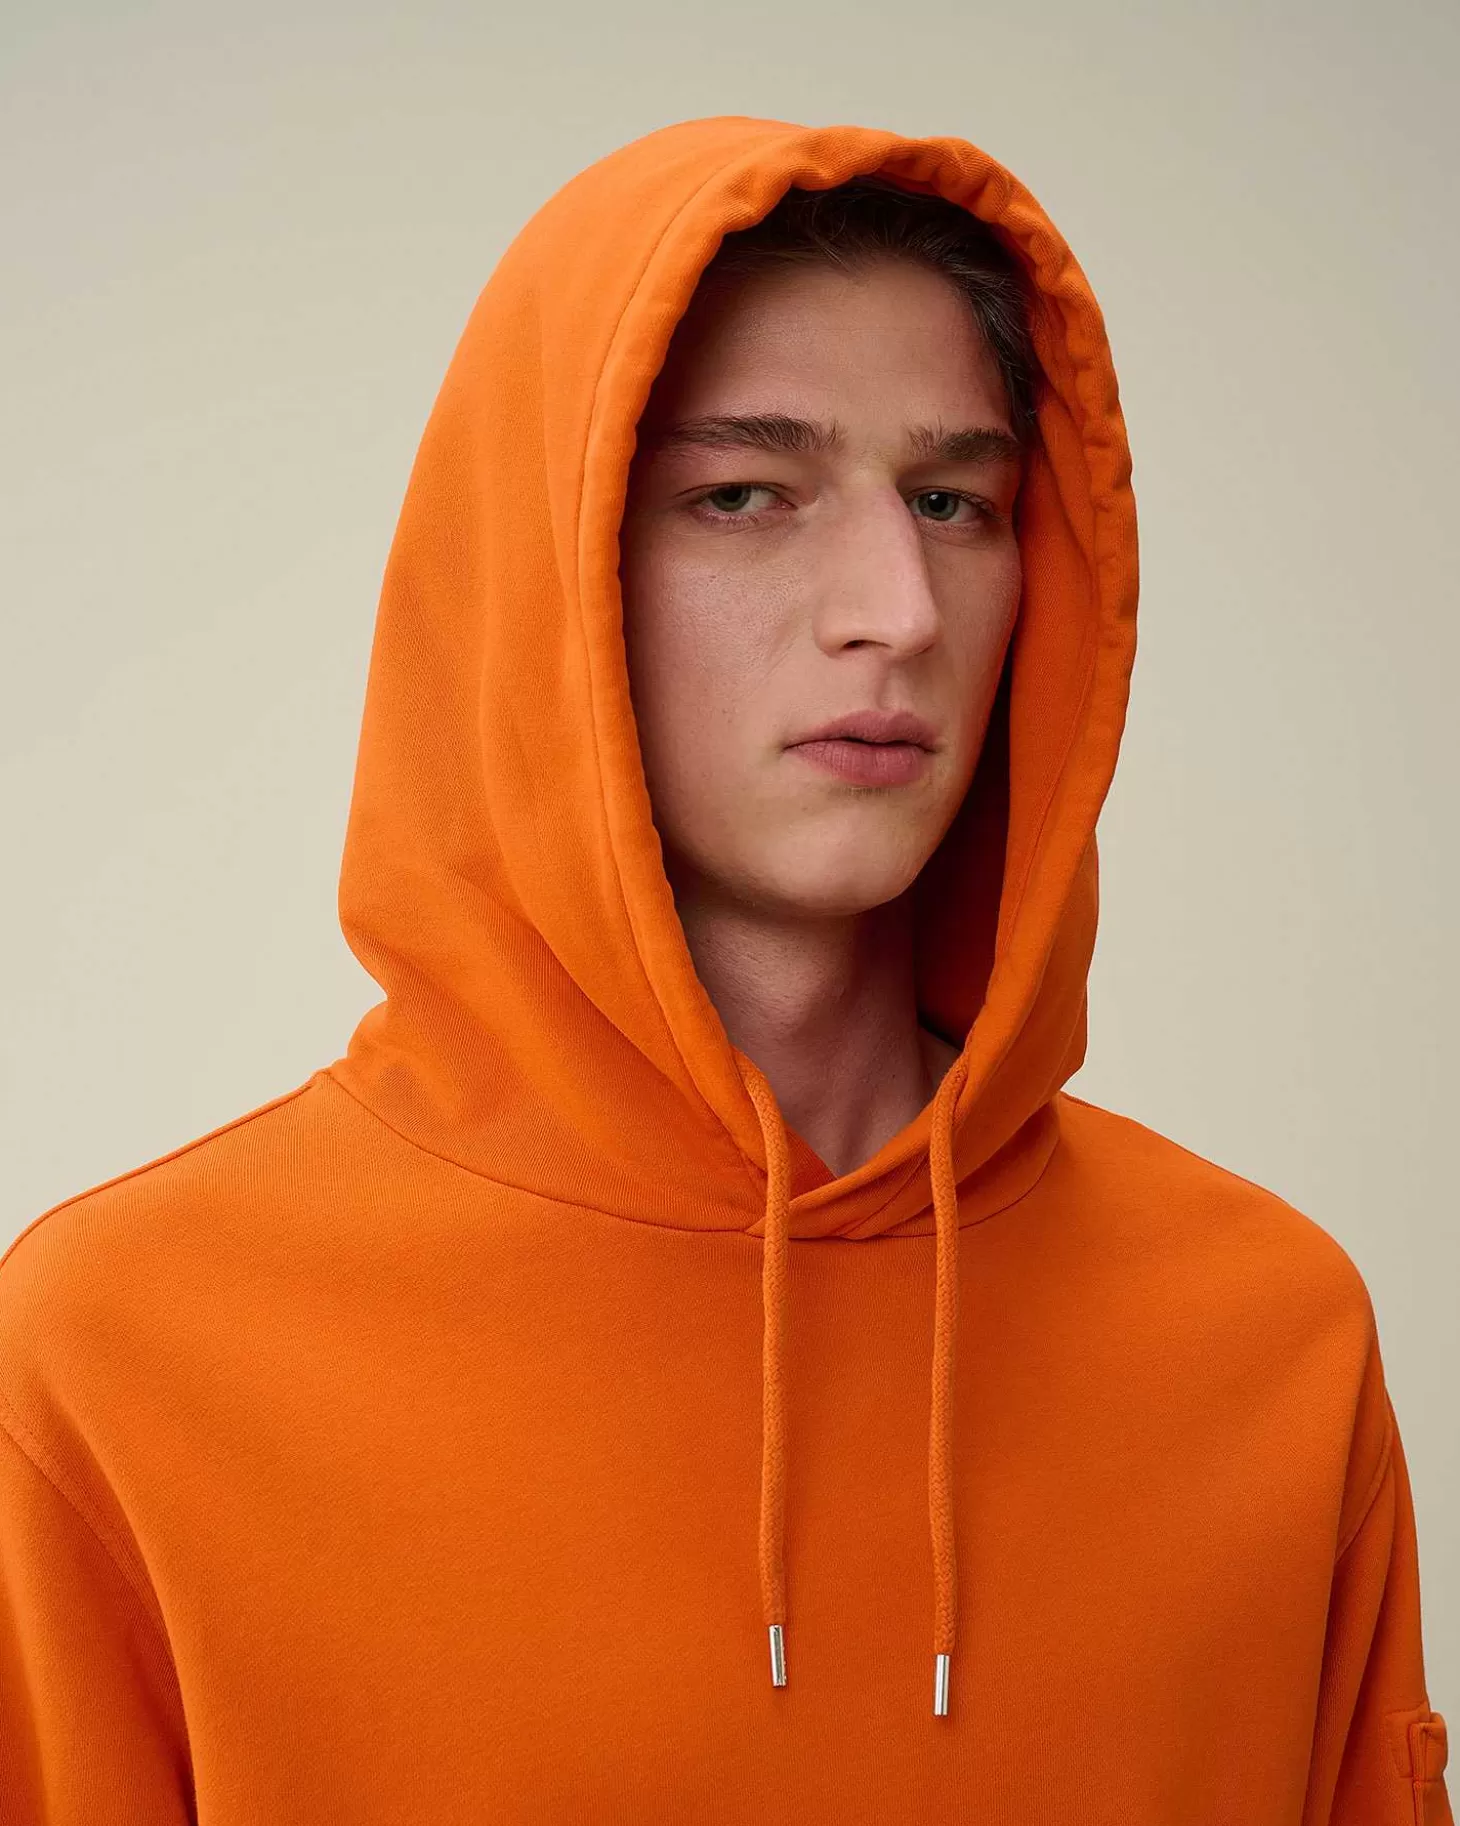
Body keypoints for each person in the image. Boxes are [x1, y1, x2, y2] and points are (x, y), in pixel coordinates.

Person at [0, 114, 1449, 1822]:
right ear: (548, 574)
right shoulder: (125, 1357)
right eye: (745, 495)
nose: (897, 607)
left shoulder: (1268, 1342)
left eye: (954, 501)